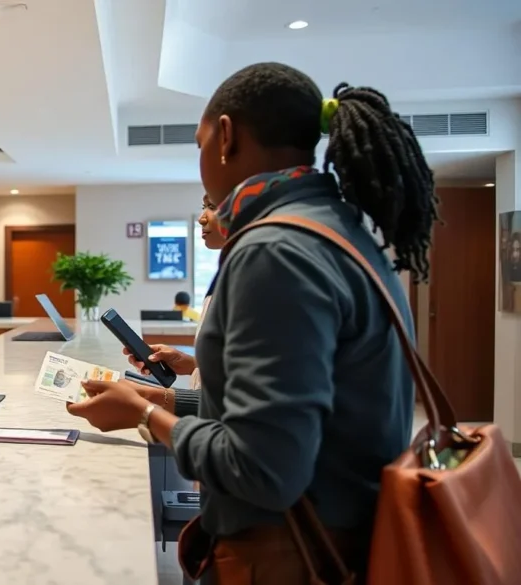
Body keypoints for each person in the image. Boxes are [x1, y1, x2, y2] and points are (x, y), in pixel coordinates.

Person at [68, 62, 430, 583]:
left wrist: (146, 417)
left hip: (293, 555)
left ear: (226, 136)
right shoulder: (337, 232)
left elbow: (262, 470)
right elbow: (295, 407)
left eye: (199, 141)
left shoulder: (275, 250)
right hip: (346, 536)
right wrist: (164, 398)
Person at [124, 193, 227, 416]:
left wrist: (148, 397)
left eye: (212, 206)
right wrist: (191, 364)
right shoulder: (227, 273)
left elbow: (242, 398)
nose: (201, 218)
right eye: (203, 207)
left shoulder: (259, 282)